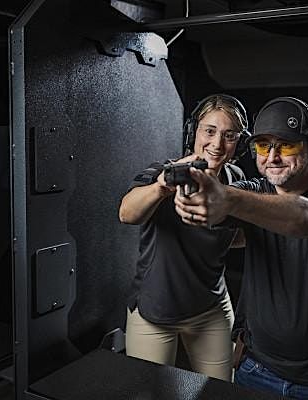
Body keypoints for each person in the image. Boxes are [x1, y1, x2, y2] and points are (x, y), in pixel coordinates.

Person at [174, 97, 308, 399]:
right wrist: (197, 194)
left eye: (286, 145)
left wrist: (229, 199)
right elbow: (219, 203)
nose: (273, 157)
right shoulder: (252, 191)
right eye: (264, 146)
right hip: (256, 369)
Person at [118, 94, 250, 381]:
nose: (217, 144)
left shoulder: (236, 178)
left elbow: (233, 237)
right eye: (209, 131)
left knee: (223, 390)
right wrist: (161, 187)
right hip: (157, 310)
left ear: (239, 142)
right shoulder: (164, 172)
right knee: (150, 391)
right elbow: (127, 213)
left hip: (210, 308)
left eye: (229, 135)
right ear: (193, 133)